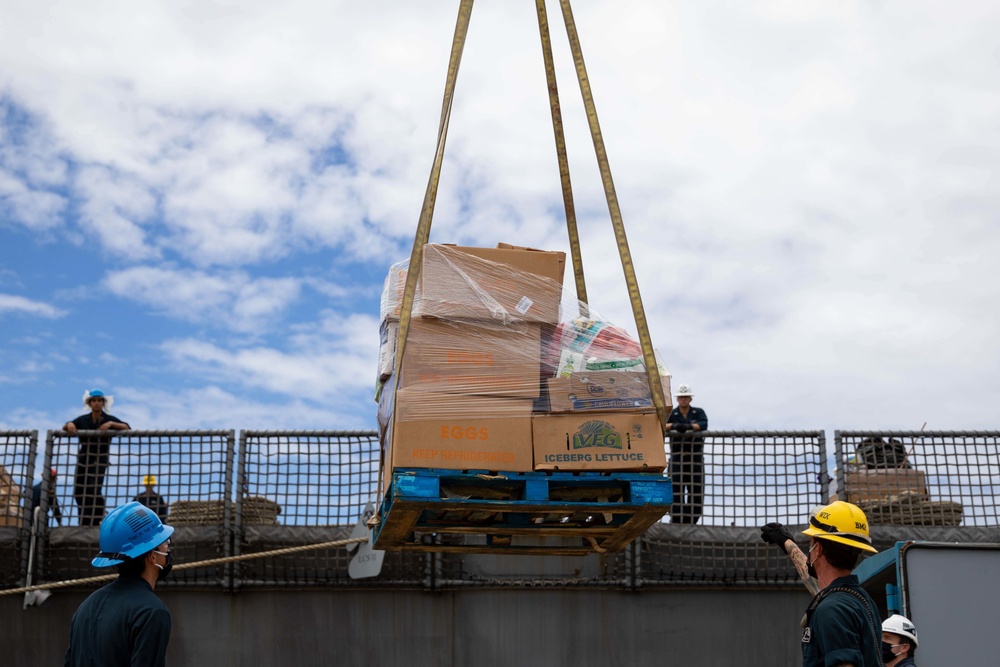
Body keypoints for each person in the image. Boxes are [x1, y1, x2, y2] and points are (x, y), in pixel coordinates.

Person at [761, 501, 882, 667]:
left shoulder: (833, 610)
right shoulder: (858, 600)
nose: (810, 550)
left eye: (811, 544)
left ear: (817, 550)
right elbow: (818, 585)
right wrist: (787, 543)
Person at [65, 501, 174, 666]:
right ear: (152, 556)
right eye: (165, 543)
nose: (168, 549)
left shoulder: (86, 606)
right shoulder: (151, 612)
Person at [63, 388, 131, 526]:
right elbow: (68, 426)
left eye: (99, 400)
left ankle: (93, 520)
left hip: (99, 459)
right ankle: (85, 519)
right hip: (84, 459)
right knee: (79, 490)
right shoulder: (83, 420)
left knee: (93, 489)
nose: (96, 403)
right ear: (89, 403)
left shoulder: (108, 419)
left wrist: (112, 424)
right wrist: (69, 424)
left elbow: (127, 427)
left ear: (103, 403)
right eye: (93, 401)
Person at [666, 383, 708, 524]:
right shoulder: (672, 414)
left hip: (694, 458)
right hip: (677, 457)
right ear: (677, 399)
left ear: (690, 398)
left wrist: (689, 426)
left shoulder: (698, 412)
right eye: (681, 397)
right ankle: (676, 519)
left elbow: (703, 425)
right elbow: (662, 424)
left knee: (695, 489)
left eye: (686, 397)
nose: (683, 400)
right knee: (675, 488)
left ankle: (692, 520)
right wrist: (674, 426)